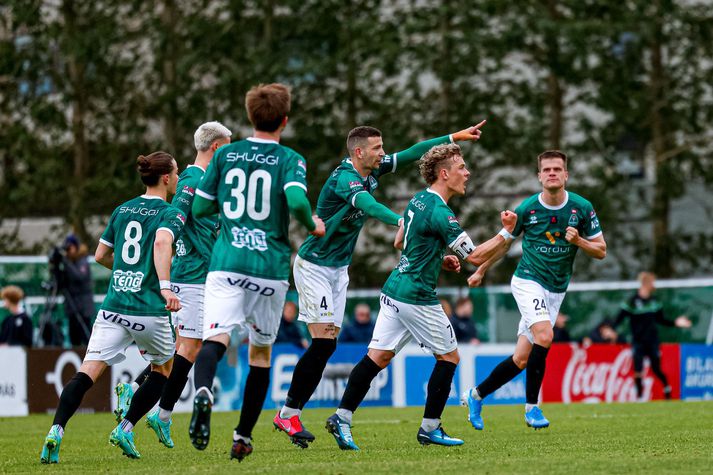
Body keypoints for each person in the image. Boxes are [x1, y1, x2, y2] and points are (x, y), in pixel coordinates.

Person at [274, 121, 487, 448]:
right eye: (377, 148)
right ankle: (288, 413)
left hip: (338, 269)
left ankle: (329, 416)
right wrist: (400, 221)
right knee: (323, 344)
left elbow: (414, 152)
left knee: (345, 349)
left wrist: (454, 136)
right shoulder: (345, 178)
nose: (384, 153)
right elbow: (368, 206)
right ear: (359, 152)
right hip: (315, 266)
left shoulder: (373, 168)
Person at [325, 143, 516, 450]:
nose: (467, 173)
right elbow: (477, 257)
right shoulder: (440, 210)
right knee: (449, 357)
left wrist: (437, 257)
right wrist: (507, 232)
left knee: (378, 357)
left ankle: (341, 417)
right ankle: (430, 427)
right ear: (444, 173)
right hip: (416, 296)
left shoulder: (419, 200)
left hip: (394, 288)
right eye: (461, 168)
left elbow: (400, 241)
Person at [187, 83, 325, 462]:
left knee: (215, 339)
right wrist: (310, 222)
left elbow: (199, 209)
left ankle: (203, 392)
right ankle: (243, 436)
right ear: (284, 119)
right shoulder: (290, 158)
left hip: (227, 263)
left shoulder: (225, 155)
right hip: (269, 267)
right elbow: (296, 199)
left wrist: (233, 215)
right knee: (260, 354)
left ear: (250, 117)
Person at [39, 151, 185, 464]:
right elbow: (161, 244)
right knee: (164, 370)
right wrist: (162, 284)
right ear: (165, 178)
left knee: (86, 372)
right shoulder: (170, 213)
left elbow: (101, 254)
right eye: (175, 172)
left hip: (114, 306)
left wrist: (124, 272)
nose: (177, 177)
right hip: (148, 308)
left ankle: (55, 431)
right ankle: (126, 427)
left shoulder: (122, 209)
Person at [462, 150, 606, 431]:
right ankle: (532, 408)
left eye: (557, 169)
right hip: (527, 281)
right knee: (545, 335)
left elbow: (601, 250)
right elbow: (504, 244)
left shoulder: (582, 208)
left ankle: (476, 395)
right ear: (539, 176)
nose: (552, 173)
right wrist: (482, 269)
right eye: (547, 169)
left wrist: (579, 242)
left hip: (556, 289)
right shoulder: (527, 208)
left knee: (521, 358)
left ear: (566, 175)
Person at [114, 122, 233, 449]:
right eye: (229, 149)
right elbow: (176, 221)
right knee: (189, 348)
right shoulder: (194, 180)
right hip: (191, 275)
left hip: (199, 273)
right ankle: (156, 414)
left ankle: (144, 399)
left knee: (183, 349)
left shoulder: (207, 181)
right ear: (217, 149)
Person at [613, 271, 691, 400]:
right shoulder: (632, 302)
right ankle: (639, 396)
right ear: (646, 283)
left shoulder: (654, 302)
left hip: (652, 341)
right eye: (652, 282)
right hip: (638, 341)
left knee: (656, 369)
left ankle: (667, 390)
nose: (654, 285)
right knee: (638, 370)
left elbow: (661, 320)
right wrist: (612, 329)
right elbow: (619, 319)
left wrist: (676, 322)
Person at [48, 234, 95, 346]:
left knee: (86, 338)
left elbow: (79, 276)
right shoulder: (68, 262)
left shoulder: (82, 261)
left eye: (70, 248)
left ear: (76, 247)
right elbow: (59, 283)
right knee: (74, 339)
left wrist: (65, 261)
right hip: (71, 307)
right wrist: (55, 266)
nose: (68, 251)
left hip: (83, 308)